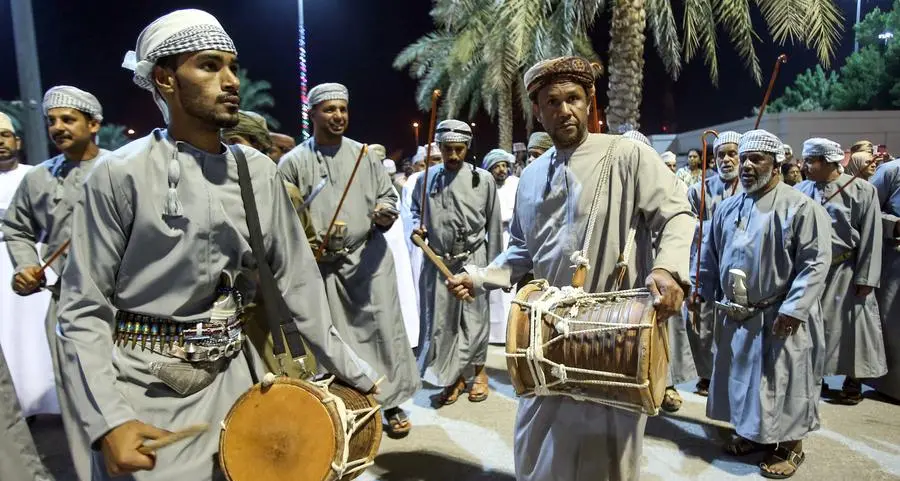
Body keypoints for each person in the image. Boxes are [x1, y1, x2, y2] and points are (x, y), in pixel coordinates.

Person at [58, 10, 377, 480]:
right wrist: (111, 421)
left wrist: (355, 374)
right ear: (165, 79)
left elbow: (299, 284)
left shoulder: (256, 171)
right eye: (209, 66)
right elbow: (84, 309)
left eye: (231, 65)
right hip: (143, 394)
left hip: (238, 384)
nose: (230, 81)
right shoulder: (118, 174)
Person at [448, 56, 694, 481]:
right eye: (553, 102)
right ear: (538, 111)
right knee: (539, 451)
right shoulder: (531, 176)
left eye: (574, 99)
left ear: (589, 102)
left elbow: (677, 214)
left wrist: (668, 269)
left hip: (614, 338)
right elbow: (521, 250)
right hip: (545, 336)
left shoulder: (627, 156)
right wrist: (479, 276)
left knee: (610, 459)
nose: (565, 110)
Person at [279, 82, 420, 437]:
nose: (338, 116)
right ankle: (346, 408)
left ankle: (390, 403)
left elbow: (389, 197)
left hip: (369, 263)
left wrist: (386, 212)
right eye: (329, 110)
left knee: (383, 332)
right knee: (333, 341)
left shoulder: (364, 156)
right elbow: (282, 215)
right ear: (311, 114)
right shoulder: (293, 162)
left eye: (343, 109)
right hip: (321, 269)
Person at [698, 129, 831, 479]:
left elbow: (815, 263)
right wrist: (703, 291)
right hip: (739, 314)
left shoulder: (802, 207)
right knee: (745, 380)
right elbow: (709, 255)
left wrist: (793, 309)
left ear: (776, 165)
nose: (745, 166)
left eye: (756, 159)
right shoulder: (727, 208)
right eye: (743, 159)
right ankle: (753, 434)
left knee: (785, 381)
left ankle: (791, 446)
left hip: (781, 313)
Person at [2, 85, 110, 480]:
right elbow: (16, 227)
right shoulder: (39, 179)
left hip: (124, 305)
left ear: (94, 124)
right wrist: (25, 266)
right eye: (52, 121)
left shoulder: (121, 169)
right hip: (65, 305)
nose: (58, 127)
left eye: (68, 119)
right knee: (77, 402)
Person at [411, 119, 501, 406]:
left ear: (467, 148)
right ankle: (453, 378)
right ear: (438, 147)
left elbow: (494, 225)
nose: (453, 156)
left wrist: (494, 272)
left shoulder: (483, 179)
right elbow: (414, 213)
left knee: (475, 321)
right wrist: (417, 228)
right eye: (447, 149)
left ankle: (480, 374)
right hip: (438, 263)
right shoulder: (425, 178)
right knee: (443, 324)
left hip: (474, 258)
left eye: (459, 149)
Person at [795, 138, 885, 405]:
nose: (805, 166)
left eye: (811, 161)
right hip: (810, 270)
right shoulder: (801, 189)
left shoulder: (863, 191)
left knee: (850, 328)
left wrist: (866, 278)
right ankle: (815, 377)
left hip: (845, 270)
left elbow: (871, 236)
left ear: (827, 162)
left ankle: (852, 381)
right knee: (811, 327)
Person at [0, 112, 54, 481]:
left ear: (17, 140)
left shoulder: (36, 177)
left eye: (6, 135)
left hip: (33, 273)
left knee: (34, 342)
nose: (1, 141)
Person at [685, 130, 743, 398]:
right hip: (705, 265)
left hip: (736, 268)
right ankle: (707, 375)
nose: (727, 160)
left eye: (732, 154)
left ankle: (733, 373)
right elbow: (689, 231)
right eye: (721, 154)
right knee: (703, 324)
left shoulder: (749, 190)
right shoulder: (699, 190)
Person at [481, 149, 519, 343]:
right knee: (494, 284)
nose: (501, 170)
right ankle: (496, 333)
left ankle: (513, 330)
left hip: (514, 238)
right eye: (497, 167)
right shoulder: (484, 186)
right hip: (492, 239)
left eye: (504, 166)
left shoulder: (515, 184)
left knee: (512, 285)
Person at [871, 155, 900, 401]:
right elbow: (867, 214)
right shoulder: (890, 171)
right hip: (895, 259)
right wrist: (896, 225)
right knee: (892, 324)